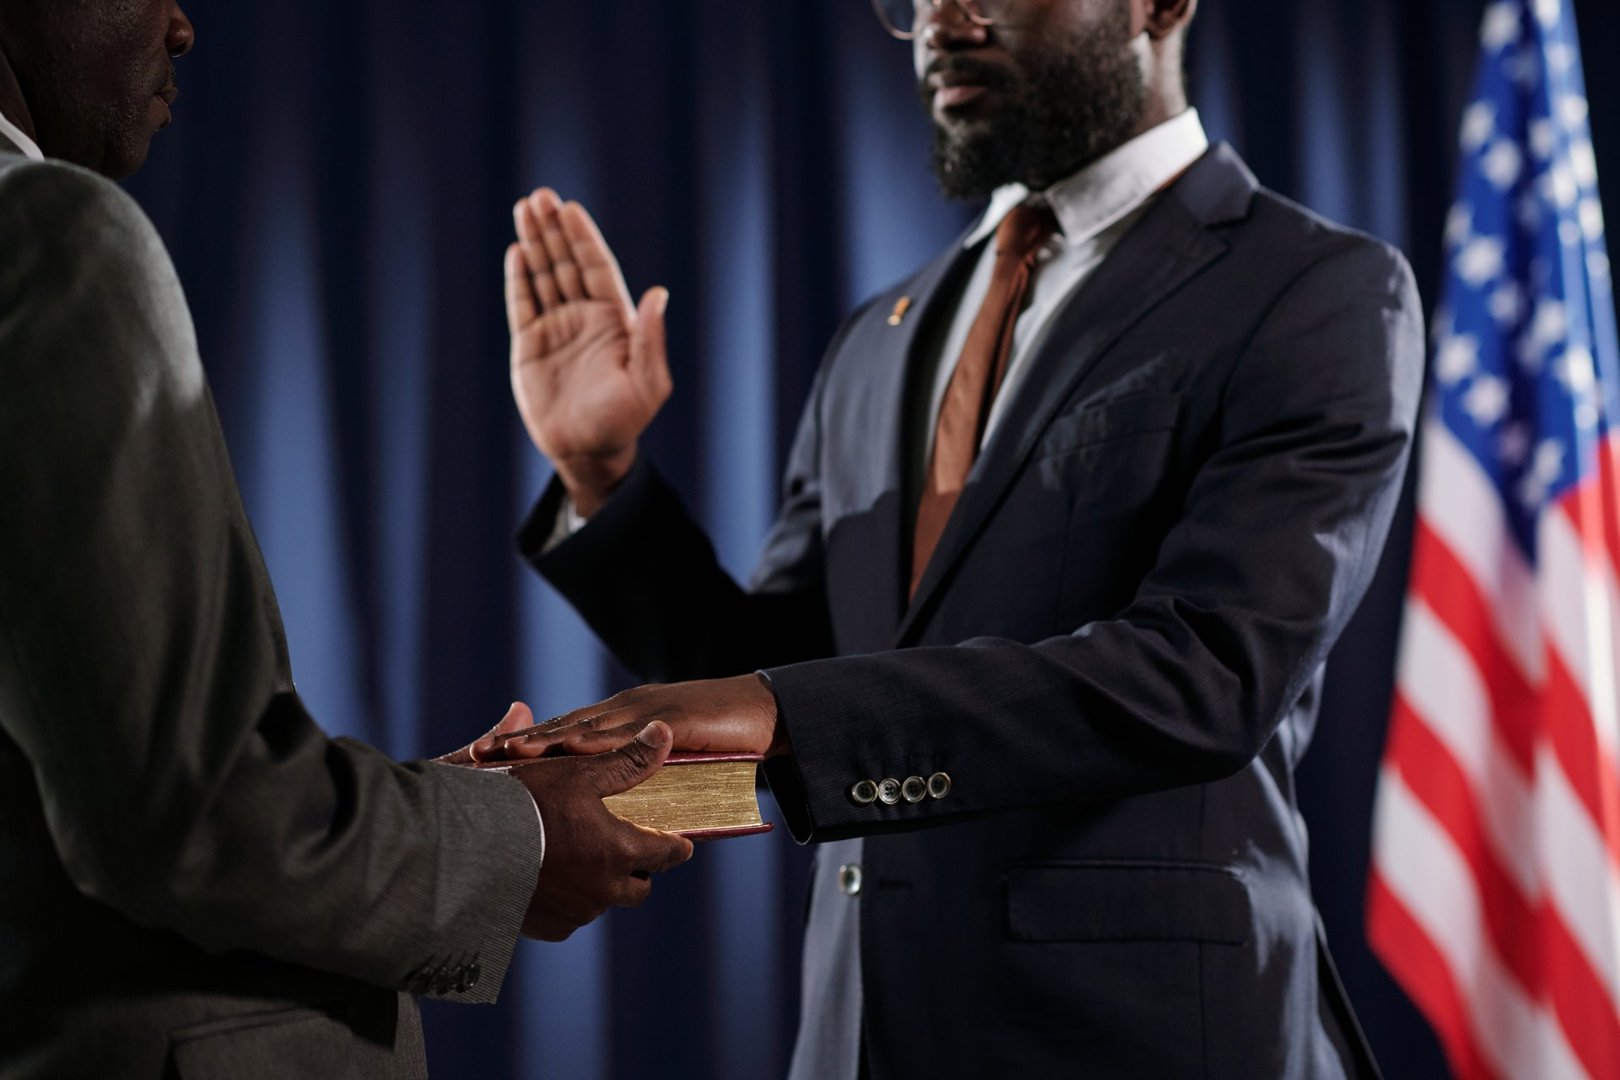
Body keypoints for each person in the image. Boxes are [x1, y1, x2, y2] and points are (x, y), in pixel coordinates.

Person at [490, 0, 1423, 1074]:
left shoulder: (1314, 288)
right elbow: (780, 684)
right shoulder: (876, 338)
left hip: (1140, 1037)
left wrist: (779, 706)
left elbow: (1207, 673)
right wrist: (603, 476)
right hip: (861, 1035)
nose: (944, 20)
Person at [0, 3, 693, 1077]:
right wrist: (518, 838)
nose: (183, 26)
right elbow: (201, 816)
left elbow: (92, 790)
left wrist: (414, 814)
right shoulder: (48, 234)